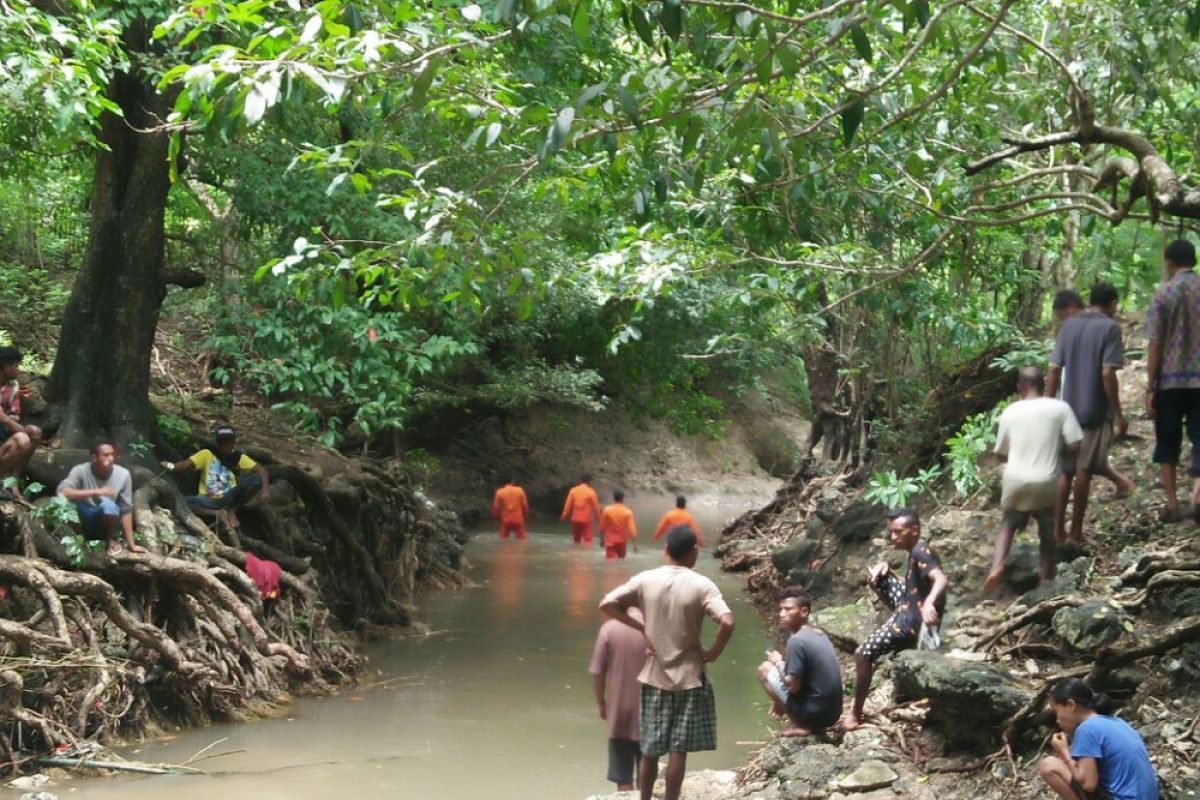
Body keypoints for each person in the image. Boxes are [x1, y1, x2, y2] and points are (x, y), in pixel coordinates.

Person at [599, 527, 735, 800]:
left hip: (655, 675)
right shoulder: (702, 584)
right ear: (693, 552)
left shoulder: (646, 579)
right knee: (678, 749)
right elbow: (727, 621)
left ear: (666, 550)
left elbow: (607, 604)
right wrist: (713, 652)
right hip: (689, 676)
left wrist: (642, 627)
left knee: (650, 749)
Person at [841, 508, 947, 731]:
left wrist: (929, 604)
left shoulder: (920, 551)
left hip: (911, 621)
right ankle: (896, 620)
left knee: (862, 654)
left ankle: (855, 714)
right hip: (909, 606)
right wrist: (888, 571)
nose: (893, 537)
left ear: (914, 530)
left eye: (898, 532)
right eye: (891, 532)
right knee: (878, 578)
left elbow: (940, 579)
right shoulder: (916, 550)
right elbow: (915, 585)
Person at [1047, 283, 1134, 543]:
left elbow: (1052, 370)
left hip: (1066, 411)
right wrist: (1118, 413)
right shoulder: (1110, 328)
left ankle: (1057, 531)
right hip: (1094, 412)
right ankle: (1075, 533)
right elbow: (1108, 372)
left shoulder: (1068, 326)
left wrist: (1048, 407)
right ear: (1111, 303)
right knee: (1084, 471)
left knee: (1066, 471)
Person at [987, 366, 1083, 591]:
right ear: (1044, 385)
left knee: (1008, 522)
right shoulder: (1060, 408)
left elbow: (1000, 453)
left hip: (1015, 478)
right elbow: (1075, 444)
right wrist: (1055, 448)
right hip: (1046, 479)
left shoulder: (1010, 411)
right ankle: (1045, 579)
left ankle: (997, 566)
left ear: (1020, 387)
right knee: (1047, 527)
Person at [1143, 239, 1200, 524]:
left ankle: (1172, 503)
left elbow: (1155, 343)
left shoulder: (1163, 294)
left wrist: (1150, 386)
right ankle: (1197, 494)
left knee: (1167, 440)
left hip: (1170, 382)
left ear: (1170, 263)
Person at [1038, 678, 1159, 800]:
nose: (1057, 720)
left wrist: (1064, 752)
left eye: (1057, 711)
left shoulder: (1087, 729)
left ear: (1071, 705)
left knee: (1049, 765)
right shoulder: (1116, 721)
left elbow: (1088, 784)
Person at [756, 587, 842, 737]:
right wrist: (778, 701)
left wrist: (778, 662)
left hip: (815, 714)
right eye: (781, 609)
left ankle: (801, 725)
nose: (782, 614)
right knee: (779, 671)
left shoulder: (796, 640)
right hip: (833, 714)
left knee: (764, 669)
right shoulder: (819, 633)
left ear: (804, 612)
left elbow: (792, 686)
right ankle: (805, 720)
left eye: (788, 609)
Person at [160, 425, 271, 532]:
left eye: (230, 442)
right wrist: (170, 466)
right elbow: (185, 465)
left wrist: (265, 490)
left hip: (229, 495)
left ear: (233, 443)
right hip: (208, 499)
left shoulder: (237, 457)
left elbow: (260, 470)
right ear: (218, 443)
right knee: (181, 502)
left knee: (255, 479)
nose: (227, 445)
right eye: (224, 443)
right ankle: (216, 514)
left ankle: (232, 510)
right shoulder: (207, 454)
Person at [589, 607, 648, 792]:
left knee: (623, 778)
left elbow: (598, 672)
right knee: (647, 769)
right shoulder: (654, 628)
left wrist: (601, 702)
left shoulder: (609, 629)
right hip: (650, 711)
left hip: (618, 713)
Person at [57, 439, 147, 556]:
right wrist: (96, 492)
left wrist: (131, 544)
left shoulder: (123, 474)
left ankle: (109, 541)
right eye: (105, 455)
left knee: (108, 505)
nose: (111, 459)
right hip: (83, 517)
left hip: (105, 520)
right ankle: (78, 540)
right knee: (69, 504)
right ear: (94, 458)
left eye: (112, 455)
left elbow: (126, 510)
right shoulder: (81, 470)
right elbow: (62, 493)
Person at [0, 347, 42, 499]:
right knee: (22, 439)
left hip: (3, 432)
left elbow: (13, 413)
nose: (18, 369)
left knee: (34, 432)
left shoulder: (12, 386)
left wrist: (8, 418)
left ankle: (12, 479)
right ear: (6, 367)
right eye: (16, 365)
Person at [562, 475, 602, 545]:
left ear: (581, 481)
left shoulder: (573, 490)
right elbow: (596, 508)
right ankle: (585, 554)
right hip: (586, 519)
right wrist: (599, 520)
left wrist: (564, 515)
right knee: (587, 540)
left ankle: (575, 553)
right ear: (589, 482)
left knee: (576, 540)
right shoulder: (591, 492)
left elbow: (568, 505)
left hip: (575, 519)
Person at [600, 489, 638, 559]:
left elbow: (602, 527)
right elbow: (632, 530)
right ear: (623, 499)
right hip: (622, 541)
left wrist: (602, 539)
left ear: (614, 498)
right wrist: (635, 544)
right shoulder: (628, 512)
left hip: (610, 540)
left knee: (610, 562)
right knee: (621, 560)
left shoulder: (607, 510)